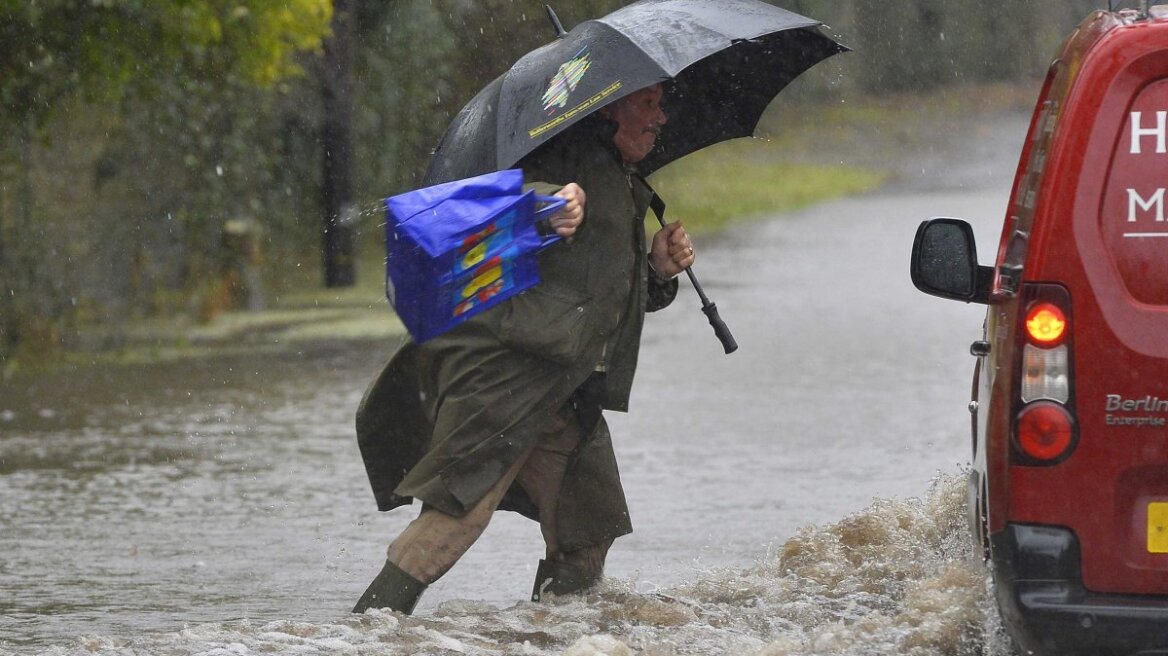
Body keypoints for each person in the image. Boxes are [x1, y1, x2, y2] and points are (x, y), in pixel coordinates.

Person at [352, 83, 696, 614]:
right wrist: (543, 210)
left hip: (564, 389)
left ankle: (550, 639)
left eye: (660, 105)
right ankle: (359, 639)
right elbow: (517, 203)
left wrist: (656, 270)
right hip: (509, 376)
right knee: (453, 519)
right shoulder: (562, 153)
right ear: (609, 106)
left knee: (587, 527)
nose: (662, 118)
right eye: (649, 104)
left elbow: (592, 293)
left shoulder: (620, 178)